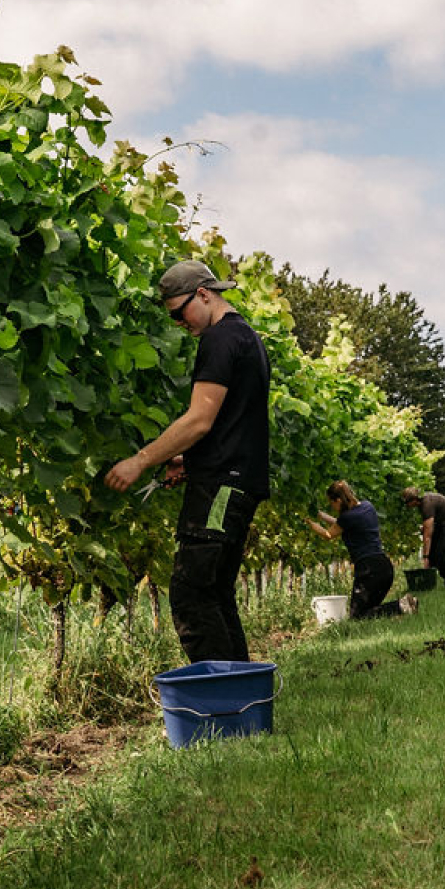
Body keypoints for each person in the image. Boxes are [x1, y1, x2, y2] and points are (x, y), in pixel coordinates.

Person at [105, 259, 270, 663]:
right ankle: (240, 706)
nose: (179, 323)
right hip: (235, 479)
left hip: (222, 485)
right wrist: (188, 458)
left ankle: (220, 704)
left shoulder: (219, 340)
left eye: (180, 312)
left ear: (204, 294)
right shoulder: (246, 336)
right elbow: (231, 421)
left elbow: (199, 419)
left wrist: (140, 460)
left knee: (192, 594)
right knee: (214, 592)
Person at [305, 481, 417, 619]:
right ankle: (403, 605)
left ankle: (401, 606)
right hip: (384, 567)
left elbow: (328, 534)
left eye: (332, 503)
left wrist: (309, 522)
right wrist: (320, 515)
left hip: (369, 570)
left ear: (338, 500)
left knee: (358, 617)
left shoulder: (347, 517)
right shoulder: (367, 506)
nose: (332, 507)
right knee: (369, 612)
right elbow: (341, 524)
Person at [400, 486, 445, 588]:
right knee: (433, 554)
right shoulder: (422, 503)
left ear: (414, 500)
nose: (407, 505)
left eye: (407, 502)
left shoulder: (426, 505)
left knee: (442, 554)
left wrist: (425, 557)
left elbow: (428, 536)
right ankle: (429, 583)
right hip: (442, 523)